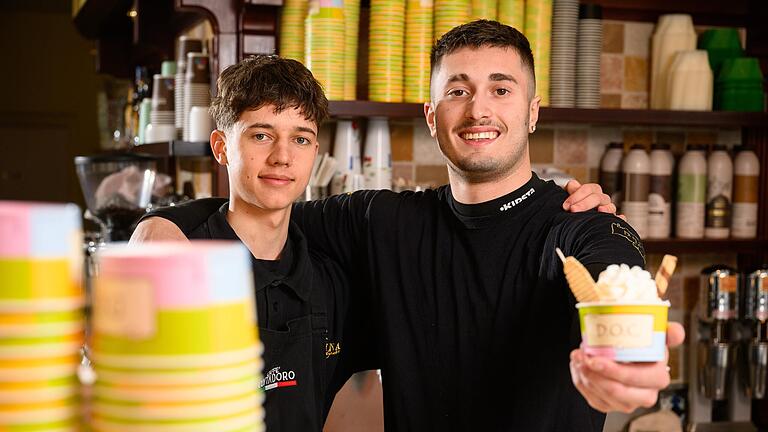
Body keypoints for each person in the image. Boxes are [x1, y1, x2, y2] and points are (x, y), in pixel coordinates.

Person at [133, 23, 656, 430]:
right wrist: (160, 226)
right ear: (431, 115)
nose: (478, 110)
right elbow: (264, 203)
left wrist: (625, 365)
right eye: (458, 91)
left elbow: (618, 286)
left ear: (533, 111)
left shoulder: (583, 226)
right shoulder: (383, 222)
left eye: (501, 89)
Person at [131, 55, 377, 431]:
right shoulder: (176, 262)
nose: (282, 157)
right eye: (261, 135)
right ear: (221, 147)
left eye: (300, 139)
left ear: (315, 152)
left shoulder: (330, 282)